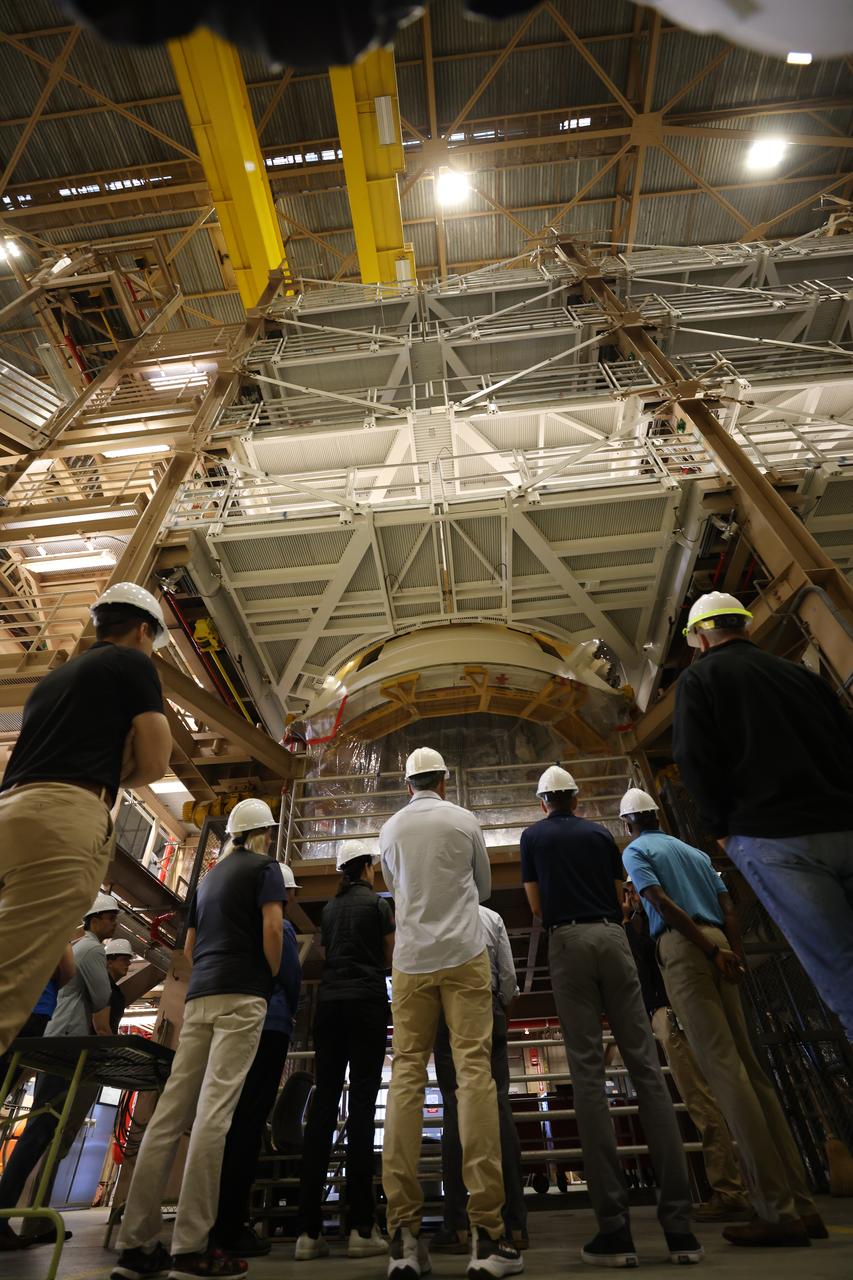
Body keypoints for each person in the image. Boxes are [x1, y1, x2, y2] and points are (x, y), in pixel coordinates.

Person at [620, 787, 826, 1249]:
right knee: (755, 1073)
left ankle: (774, 1210)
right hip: (721, 948)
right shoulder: (693, 851)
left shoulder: (636, 850)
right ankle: (802, 1205)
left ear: (628, 824)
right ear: (657, 814)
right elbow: (729, 904)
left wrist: (708, 950)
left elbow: (658, 901)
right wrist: (731, 952)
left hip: (687, 947)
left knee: (724, 1074)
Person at [520, 766, 700, 1269]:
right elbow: (621, 892)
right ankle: (680, 1230)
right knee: (647, 1071)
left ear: (542, 803)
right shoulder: (601, 833)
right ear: (576, 799)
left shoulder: (532, 837)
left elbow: (536, 905)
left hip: (568, 941)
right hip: (613, 940)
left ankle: (615, 1231)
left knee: (587, 1078)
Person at [112, 797, 286, 1280]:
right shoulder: (265, 868)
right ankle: (191, 1248)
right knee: (215, 1115)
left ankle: (136, 1247)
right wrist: (267, 977)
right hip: (241, 995)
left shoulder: (207, 879)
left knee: (169, 1115)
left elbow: (186, 948)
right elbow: (273, 927)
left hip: (200, 996)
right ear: (260, 834)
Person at [0, 582, 172, 1056]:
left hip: (10, 809)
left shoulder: (53, 680)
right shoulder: (132, 663)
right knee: (9, 983)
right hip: (64, 817)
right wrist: (116, 773)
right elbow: (156, 761)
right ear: (143, 631)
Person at [673, 590, 853, 1040]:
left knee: (840, 965)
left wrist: (719, 830)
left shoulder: (700, 682)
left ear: (700, 639)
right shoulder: (802, 676)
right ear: (746, 626)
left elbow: (694, 759)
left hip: (775, 841)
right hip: (845, 825)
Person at [380, 747, 523, 1280]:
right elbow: (483, 890)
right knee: (474, 1079)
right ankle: (487, 1234)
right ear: (443, 778)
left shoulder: (390, 829)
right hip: (464, 956)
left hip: (411, 961)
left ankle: (403, 1236)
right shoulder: (463, 820)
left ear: (406, 781)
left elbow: (396, 890)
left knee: (407, 1081)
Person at [621, 874, 750, 1221]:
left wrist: (633, 921)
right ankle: (738, 1185)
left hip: (671, 1011)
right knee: (713, 1093)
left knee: (700, 1099)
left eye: (632, 889)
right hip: (675, 1008)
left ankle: (729, 1188)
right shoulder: (659, 921)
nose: (630, 895)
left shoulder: (653, 925)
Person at [0, 893, 119, 1252]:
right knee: (42, 1130)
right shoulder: (89, 948)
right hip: (65, 1045)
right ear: (94, 920)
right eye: (110, 917)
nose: (114, 923)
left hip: (45, 1034)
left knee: (41, 1129)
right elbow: (99, 998)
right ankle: (4, 1214)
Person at [295, 840, 394, 1263]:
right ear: (368, 868)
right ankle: (360, 1228)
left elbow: (326, 954)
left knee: (322, 1112)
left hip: (330, 1008)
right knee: (362, 1111)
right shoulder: (378, 905)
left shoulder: (330, 910)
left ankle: (307, 1232)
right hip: (367, 1005)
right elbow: (390, 957)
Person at [216, 862, 303, 1259]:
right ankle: (232, 1224)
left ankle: (221, 1216)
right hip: (271, 1024)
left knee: (232, 1120)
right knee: (252, 1121)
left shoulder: (237, 923)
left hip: (232, 1022)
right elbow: (289, 978)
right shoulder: (280, 927)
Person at [433, 904, 528, 1253]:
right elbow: (508, 980)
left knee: (455, 1109)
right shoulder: (491, 917)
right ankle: (515, 1223)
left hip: (447, 1013)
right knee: (499, 1106)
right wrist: (499, 1008)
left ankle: (456, 1222)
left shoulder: (433, 913)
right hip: (488, 1008)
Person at [0, 945, 76, 1096]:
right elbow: (69, 970)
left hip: (8, 1003)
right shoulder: (55, 929)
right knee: (9, 1072)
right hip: (36, 1008)